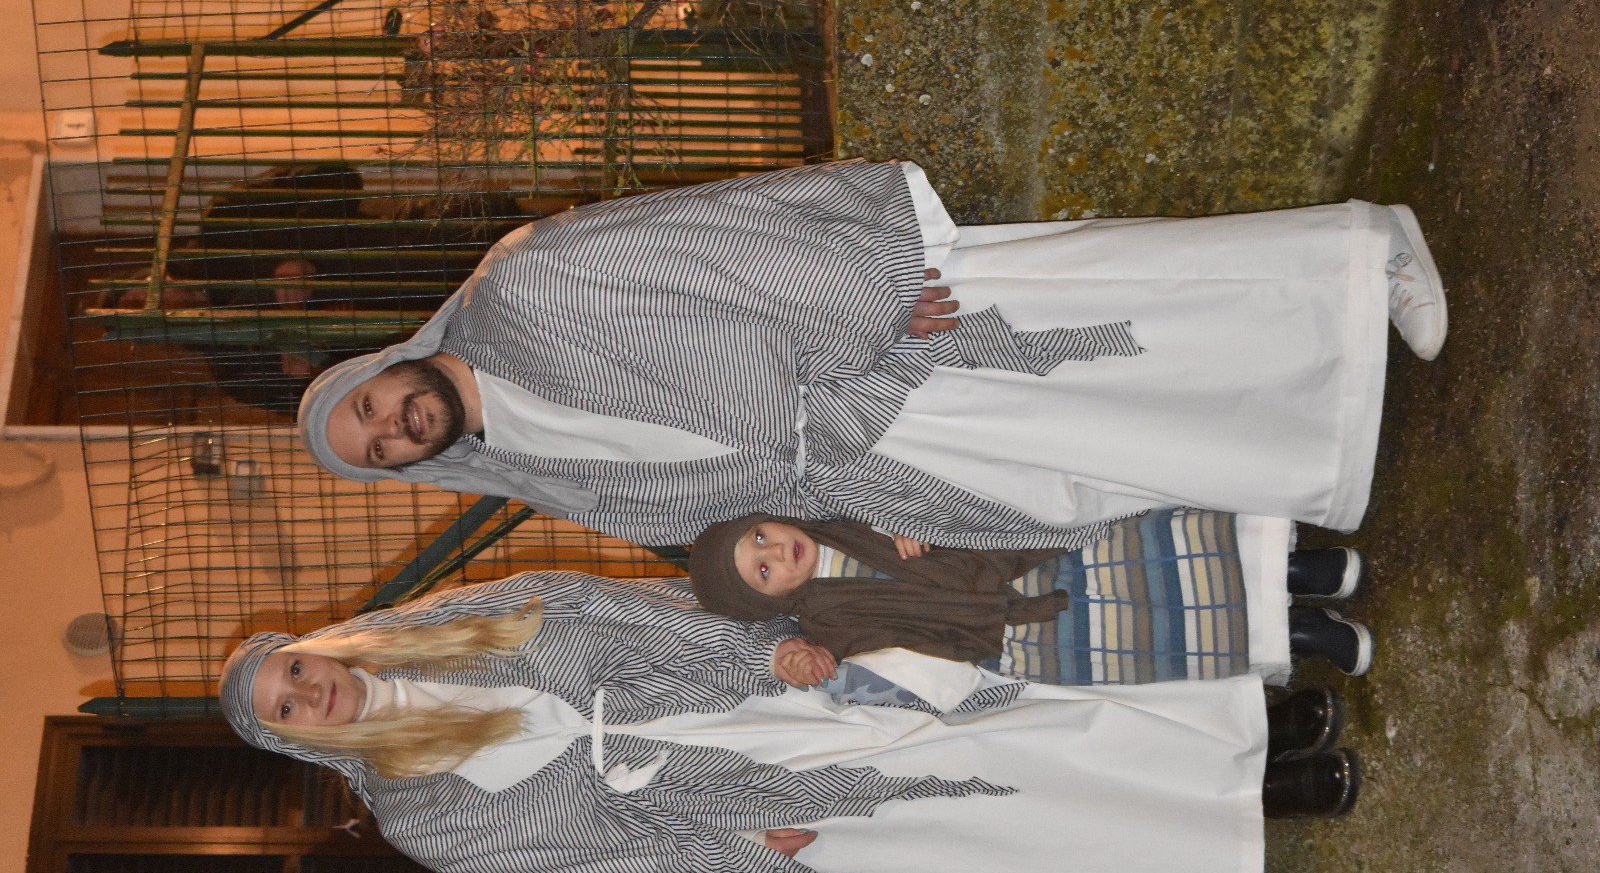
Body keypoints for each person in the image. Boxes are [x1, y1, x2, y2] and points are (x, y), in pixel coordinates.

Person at [295, 159, 1447, 550]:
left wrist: (876, 310)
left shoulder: (522, 288)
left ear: (380, 367)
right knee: (1114, 442)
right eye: (379, 449)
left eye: (369, 407)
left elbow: (708, 248)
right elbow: (712, 508)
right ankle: (1324, 412)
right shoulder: (530, 474)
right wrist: (849, 515)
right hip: (881, 451)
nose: (393, 426)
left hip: (894, 332)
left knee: (1133, 310)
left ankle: (1359, 252)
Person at [220, 570, 1359, 873]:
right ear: (294, 738)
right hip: (738, 798)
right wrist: (738, 858)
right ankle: (1260, 800)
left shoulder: (449, 622)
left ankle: (1249, 725)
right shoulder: (424, 816)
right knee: (1007, 799)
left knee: (1017, 694)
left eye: (296, 668)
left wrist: (761, 651)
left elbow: (608, 608)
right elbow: (592, 868)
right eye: (289, 707)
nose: (312, 691)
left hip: (760, 683)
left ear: (316, 647)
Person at [688, 510, 1376, 680]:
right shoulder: (825, 621)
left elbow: (914, 481)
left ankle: (1290, 570)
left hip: (1021, 544)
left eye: (760, 538)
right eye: (762, 571)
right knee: (1160, 634)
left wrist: (902, 514)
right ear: (769, 603)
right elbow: (856, 657)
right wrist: (805, 658)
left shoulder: (844, 510)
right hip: (1011, 629)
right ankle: (1296, 637)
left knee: (1160, 548)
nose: (776, 552)